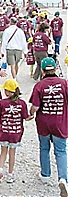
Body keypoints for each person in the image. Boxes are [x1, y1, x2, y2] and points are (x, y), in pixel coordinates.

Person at [29, 57, 68, 196]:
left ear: (43, 71)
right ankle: (63, 178)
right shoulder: (64, 83)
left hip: (44, 122)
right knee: (61, 151)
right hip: (60, 122)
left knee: (44, 148)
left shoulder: (39, 85)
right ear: (55, 69)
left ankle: (45, 174)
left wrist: (30, 113)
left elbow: (35, 106)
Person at [0, 79, 32, 184]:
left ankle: (0, 169)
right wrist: (32, 116)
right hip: (16, 132)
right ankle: (10, 174)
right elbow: (26, 117)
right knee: (12, 153)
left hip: (4, 131)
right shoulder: (22, 103)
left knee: (3, 152)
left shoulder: (2, 103)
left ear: (6, 91)